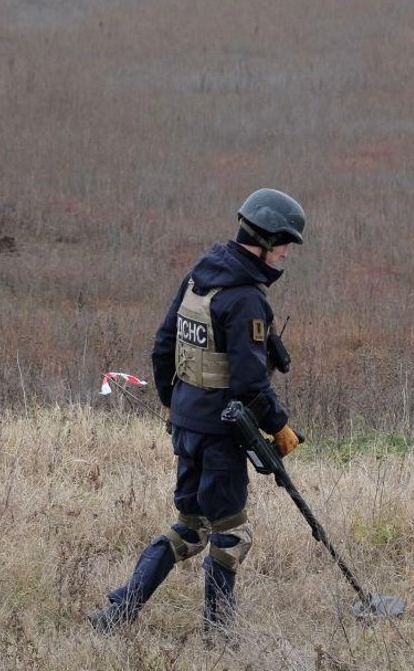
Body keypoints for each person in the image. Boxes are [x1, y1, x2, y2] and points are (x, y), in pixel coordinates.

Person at [89, 188, 305, 637]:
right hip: (220, 433)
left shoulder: (199, 278)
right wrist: (279, 425)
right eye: (284, 243)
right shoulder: (245, 298)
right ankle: (219, 636)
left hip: (186, 424)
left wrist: (172, 403)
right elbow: (249, 384)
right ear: (264, 242)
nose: (285, 253)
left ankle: (118, 613)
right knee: (231, 537)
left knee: (189, 528)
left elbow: (163, 344)